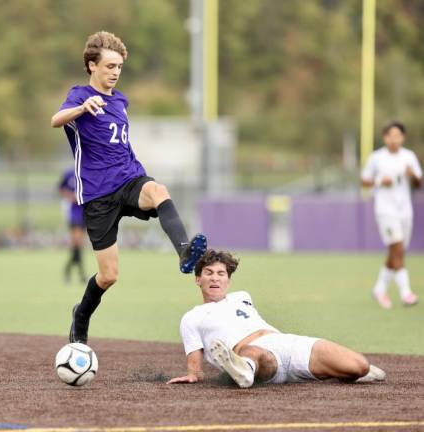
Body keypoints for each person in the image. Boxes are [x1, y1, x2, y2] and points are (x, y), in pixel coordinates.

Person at [51, 31, 207, 344]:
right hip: (97, 193)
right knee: (109, 275)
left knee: (159, 191)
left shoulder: (121, 101)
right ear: (92, 65)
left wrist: (138, 175)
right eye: (109, 66)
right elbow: (56, 119)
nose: (115, 72)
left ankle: (184, 252)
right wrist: (81, 108)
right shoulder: (79, 95)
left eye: (119, 66)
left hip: (128, 177)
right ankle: (81, 315)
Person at [167, 250, 386, 388]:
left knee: (359, 366)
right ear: (198, 279)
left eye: (221, 273)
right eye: (208, 272)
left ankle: (347, 371)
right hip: (254, 353)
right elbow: (195, 369)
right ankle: (243, 369)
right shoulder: (192, 317)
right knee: (256, 353)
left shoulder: (242, 296)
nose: (215, 277)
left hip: (287, 343)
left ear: (229, 281)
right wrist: (193, 375)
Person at [361, 121, 422, 309]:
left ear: (402, 137)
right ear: (385, 137)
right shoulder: (377, 158)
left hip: (405, 211)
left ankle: (379, 288)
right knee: (397, 248)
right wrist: (380, 181)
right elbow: (364, 181)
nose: (394, 139)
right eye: (390, 135)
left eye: (398, 135)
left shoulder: (409, 157)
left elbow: (419, 185)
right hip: (385, 211)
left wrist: (413, 176)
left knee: (397, 251)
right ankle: (406, 292)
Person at [59, 168, 87, 284]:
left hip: (85, 212)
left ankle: (68, 271)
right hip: (74, 214)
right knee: (77, 242)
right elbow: (60, 189)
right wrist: (71, 197)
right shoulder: (69, 174)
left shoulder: (87, 171)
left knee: (78, 245)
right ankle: (81, 274)